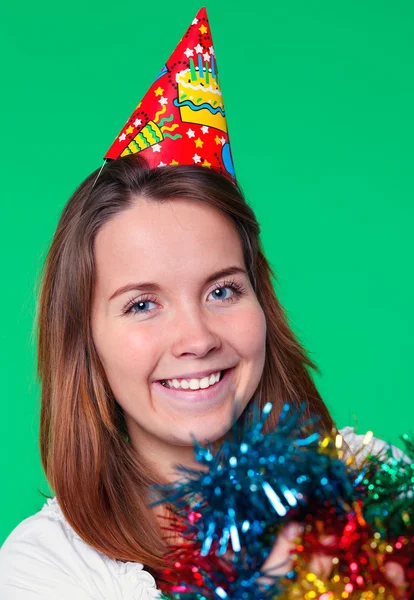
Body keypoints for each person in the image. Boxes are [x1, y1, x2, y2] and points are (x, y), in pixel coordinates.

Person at [0, 7, 408, 599]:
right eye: (142, 304)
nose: (197, 337)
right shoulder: (44, 571)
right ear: (84, 339)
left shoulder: (367, 483)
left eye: (222, 291)